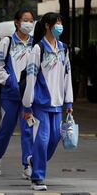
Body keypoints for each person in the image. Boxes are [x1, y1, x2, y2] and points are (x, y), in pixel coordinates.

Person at [22, 12, 73, 191]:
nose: (59, 26)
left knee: (54, 139)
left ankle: (33, 161)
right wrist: (27, 104)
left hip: (58, 103)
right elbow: (30, 77)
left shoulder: (64, 49)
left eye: (61, 22)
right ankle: (37, 178)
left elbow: (68, 77)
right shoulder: (38, 49)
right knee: (42, 140)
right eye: (56, 23)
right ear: (47, 25)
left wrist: (69, 102)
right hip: (40, 103)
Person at [0, 9, 35, 179]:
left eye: (31, 20)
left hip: (28, 97)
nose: (28, 24)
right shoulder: (6, 42)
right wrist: (9, 81)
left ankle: (27, 165)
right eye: (25, 20)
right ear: (17, 22)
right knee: (6, 129)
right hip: (9, 95)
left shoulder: (35, 44)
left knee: (28, 130)